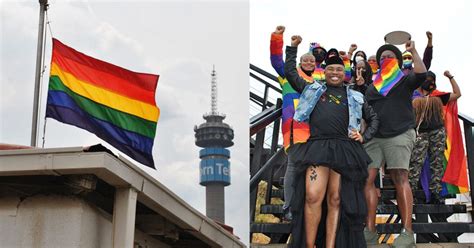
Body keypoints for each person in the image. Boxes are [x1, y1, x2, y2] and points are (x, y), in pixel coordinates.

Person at [284, 34, 379, 248]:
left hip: (344, 150)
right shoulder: (313, 89)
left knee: (336, 199)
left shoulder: (354, 95)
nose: (335, 73)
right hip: (317, 147)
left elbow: (373, 118)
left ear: (344, 74)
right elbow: (290, 72)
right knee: (312, 196)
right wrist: (292, 48)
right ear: (323, 72)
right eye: (330, 69)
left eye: (339, 70)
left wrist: (365, 136)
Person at [363, 41, 427, 247]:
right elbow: (366, 112)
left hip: (400, 133)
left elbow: (421, 74)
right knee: (367, 179)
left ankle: (407, 234)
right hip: (374, 137)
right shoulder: (373, 86)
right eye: (381, 57)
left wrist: (413, 50)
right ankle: (369, 232)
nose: (385, 59)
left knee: (400, 177)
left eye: (390, 56)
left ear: (398, 61)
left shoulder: (404, 79)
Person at [269, 25, 319, 222]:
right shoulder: (288, 76)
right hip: (295, 131)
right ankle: (289, 207)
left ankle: (310, 207)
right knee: (293, 170)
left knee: (313, 172)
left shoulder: (318, 83)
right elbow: (276, 60)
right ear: (299, 62)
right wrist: (279, 38)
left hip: (316, 133)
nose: (308, 62)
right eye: (305, 60)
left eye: (312, 60)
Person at [409, 70, 461, 202]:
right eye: (427, 79)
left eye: (432, 80)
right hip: (420, 132)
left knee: (437, 162)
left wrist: (451, 77)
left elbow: (457, 94)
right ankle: (411, 191)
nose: (430, 82)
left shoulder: (438, 96)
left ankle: (436, 192)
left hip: (437, 132)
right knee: (416, 161)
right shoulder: (412, 96)